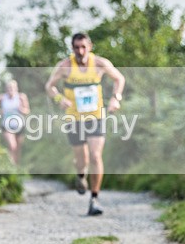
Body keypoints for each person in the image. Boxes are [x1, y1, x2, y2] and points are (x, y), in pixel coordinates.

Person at [45, 33, 125, 216]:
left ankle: (94, 199)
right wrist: (59, 98)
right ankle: (81, 175)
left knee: (96, 156)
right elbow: (49, 86)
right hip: (74, 118)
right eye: (76, 48)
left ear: (90, 46)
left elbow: (119, 79)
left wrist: (115, 98)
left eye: (83, 47)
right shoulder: (65, 66)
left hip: (96, 116)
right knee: (82, 160)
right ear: (72, 48)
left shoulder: (100, 63)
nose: (80, 51)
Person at [0, 79, 30, 165]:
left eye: (12, 88)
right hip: (7, 125)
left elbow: (27, 111)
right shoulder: (1, 97)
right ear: (6, 89)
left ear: (16, 88)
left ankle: (16, 167)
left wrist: (21, 110)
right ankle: (11, 166)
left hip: (20, 125)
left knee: (18, 148)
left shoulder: (21, 97)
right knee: (13, 146)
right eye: (9, 88)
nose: (11, 90)